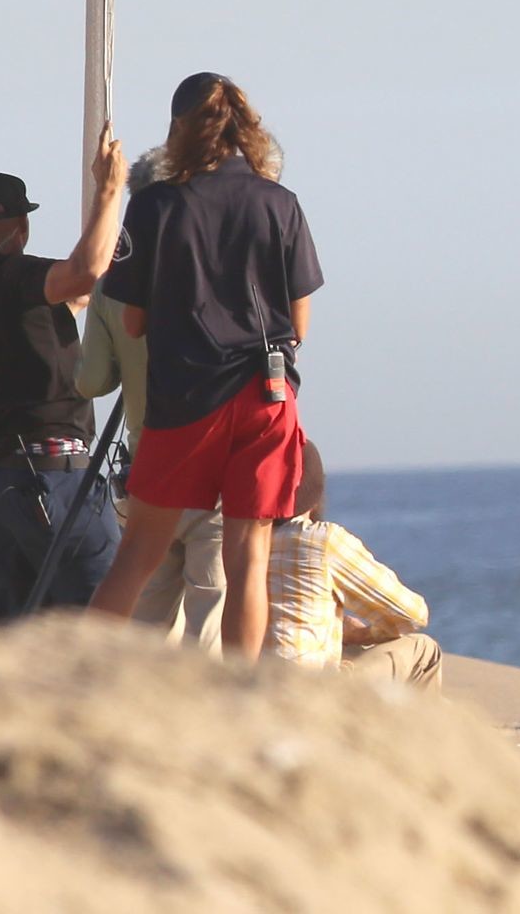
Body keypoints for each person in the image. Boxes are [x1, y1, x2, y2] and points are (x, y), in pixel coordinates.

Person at [87, 73, 324, 660]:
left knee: (138, 552)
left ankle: (83, 671)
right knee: (249, 559)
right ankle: (241, 692)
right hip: (266, 395)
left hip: (187, 396)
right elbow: (299, 324)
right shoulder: (280, 203)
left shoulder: (156, 206)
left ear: (179, 130)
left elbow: (133, 322)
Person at [0, 124, 127, 617]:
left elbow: (75, 292)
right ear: (22, 226)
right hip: (45, 475)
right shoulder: (16, 275)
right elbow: (84, 272)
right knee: (101, 614)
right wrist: (109, 191)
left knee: (19, 620)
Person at [267, 441, 443, 690]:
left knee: (344, 651)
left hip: (253, 682)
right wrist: (361, 633)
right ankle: (424, 717)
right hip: (310, 691)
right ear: (315, 492)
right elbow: (412, 614)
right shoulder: (322, 540)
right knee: (424, 648)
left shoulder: (240, 545)